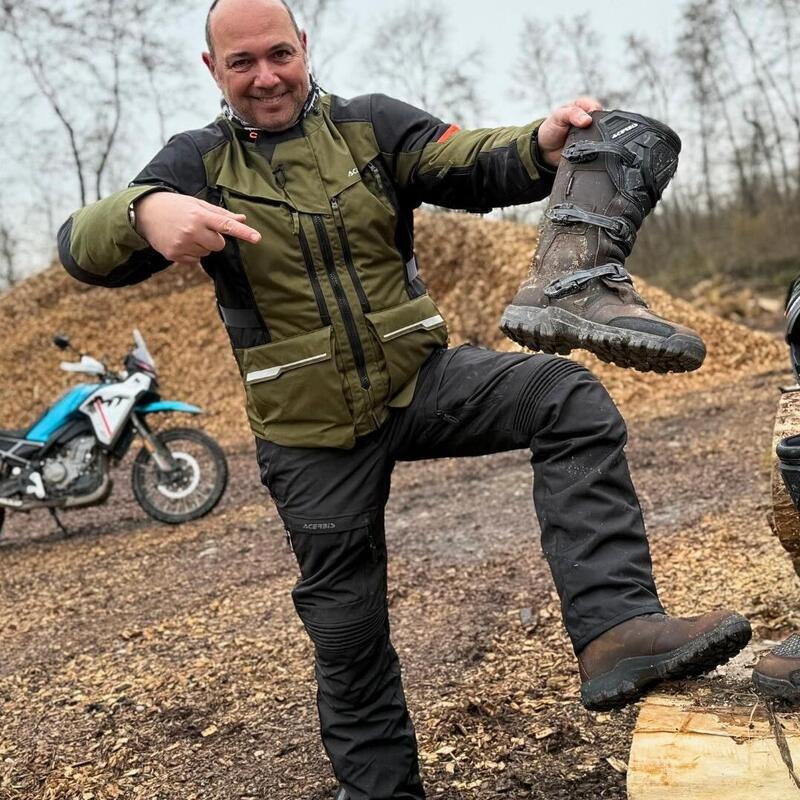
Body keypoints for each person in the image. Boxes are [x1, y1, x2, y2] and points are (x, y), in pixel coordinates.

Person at [58, 1, 751, 797]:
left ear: (303, 47)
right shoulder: (196, 162)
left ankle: (615, 629)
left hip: (421, 382)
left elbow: (465, 158)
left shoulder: (371, 126)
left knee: (566, 396)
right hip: (308, 431)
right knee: (348, 638)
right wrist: (144, 211)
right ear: (213, 69)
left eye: (279, 54)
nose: (266, 76)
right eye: (242, 62)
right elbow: (80, 245)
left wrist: (540, 141)